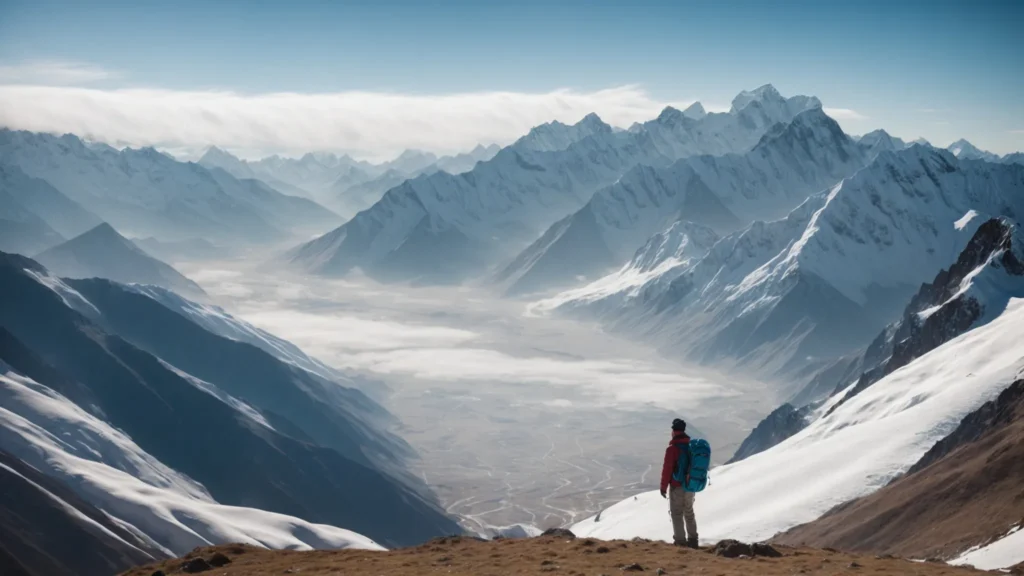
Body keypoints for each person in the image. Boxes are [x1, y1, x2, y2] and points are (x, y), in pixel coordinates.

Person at [660, 418, 698, 548]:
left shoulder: (672, 449)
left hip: (677, 486)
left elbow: (667, 469)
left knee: (676, 514)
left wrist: (663, 487)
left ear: (674, 431)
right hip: (691, 485)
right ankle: (693, 541)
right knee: (689, 512)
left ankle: (681, 543)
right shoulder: (692, 446)